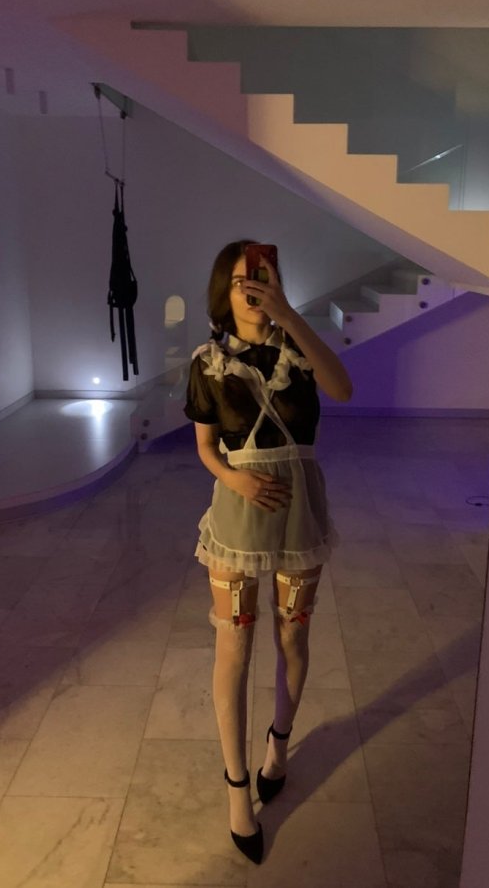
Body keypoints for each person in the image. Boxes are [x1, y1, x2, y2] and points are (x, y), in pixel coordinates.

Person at [184, 239, 352, 865]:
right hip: (237, 516)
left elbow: (343, 389)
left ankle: (278, 745)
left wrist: (289, 316)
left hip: (301, 514)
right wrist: (236, 479)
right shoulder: (207, 361)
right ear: (222, 292)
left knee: (293, 636)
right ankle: (236, 788)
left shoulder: (300, 351)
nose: (252, 289)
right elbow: (205, 448)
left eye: (263, 278)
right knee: (234, 646)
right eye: (239, 281)